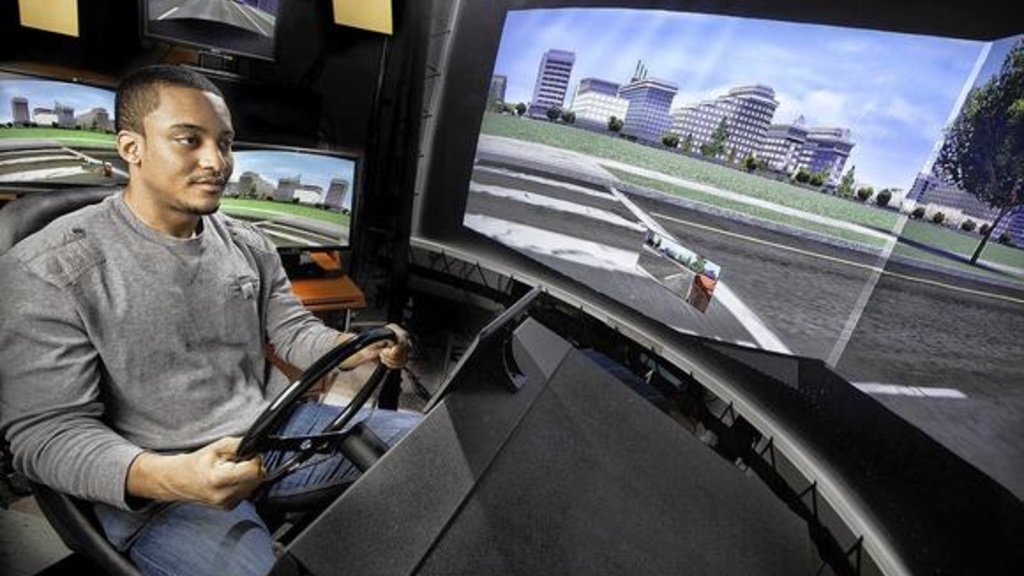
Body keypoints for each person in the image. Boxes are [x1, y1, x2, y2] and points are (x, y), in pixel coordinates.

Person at [0, 64, 421, 576]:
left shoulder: (248, 243)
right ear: (131, 148)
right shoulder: (49, 269)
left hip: (273, 432)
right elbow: (45, 435)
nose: (216, 161)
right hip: (162, 483)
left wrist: (350, 346)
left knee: (434, 455)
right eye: (189, 140)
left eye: (224, 143)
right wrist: (174, 478)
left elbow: (291, 331)